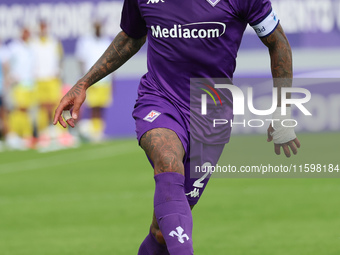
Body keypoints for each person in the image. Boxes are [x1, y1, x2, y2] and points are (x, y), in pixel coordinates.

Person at [54, 0, 301, 254]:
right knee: (167, 159)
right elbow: (131, 36)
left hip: (211, 114)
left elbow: (277, 42)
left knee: (162, 233)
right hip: (160, 100)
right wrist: (83, 83)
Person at [75, 21, 114, 142]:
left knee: (101, 107)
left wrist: (112, 79)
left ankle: (99, 131)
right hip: (91, 79)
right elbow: (81, 60)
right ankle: (93, 132)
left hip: (105, 79)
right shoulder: (85, 41)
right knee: (93, 107)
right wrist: (84, 77)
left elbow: (113, 60)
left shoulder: (106, 41)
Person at [6, 27, 35, 150]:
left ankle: (25, 135)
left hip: (29, 83)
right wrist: (10, 77)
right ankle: (15, 134)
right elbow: (7, 62)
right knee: (19, 109)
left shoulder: (30, 47)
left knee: (26, 110)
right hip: (18, 83)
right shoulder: (14, 47)